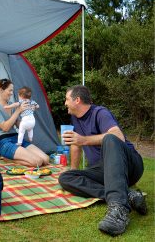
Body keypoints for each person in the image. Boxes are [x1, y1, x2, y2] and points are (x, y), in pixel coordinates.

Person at [58, 85, 147, 236]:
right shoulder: (75, 118)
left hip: (129, 165)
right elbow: (76, 144)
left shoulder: (100, 112)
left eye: (67, 99)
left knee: (110, 138)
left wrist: (84, 140)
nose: (65, 103)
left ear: (77, 100)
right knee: (66, 177)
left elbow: (117, 136)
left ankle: (119, 210)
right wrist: (73, 168)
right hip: (103, 170)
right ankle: (127, 195)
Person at [0, 78, 49, 167]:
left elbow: (18, 124)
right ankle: (8, 159)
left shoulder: (12, 104)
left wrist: (27, 116)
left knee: (45, 159)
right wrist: (18, 111)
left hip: (17, 139)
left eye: (12, 91)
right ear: (1, 90)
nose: (12, 93)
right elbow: (5, 128)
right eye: (10, 90)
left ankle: (13, 157)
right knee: (37, 162)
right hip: (5, 142)